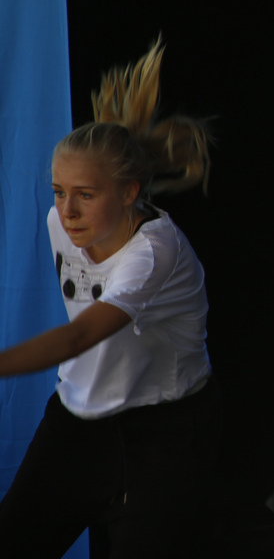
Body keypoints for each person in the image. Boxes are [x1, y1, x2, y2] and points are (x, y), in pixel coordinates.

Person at [0, 39, 219, 559]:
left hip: (161, 439)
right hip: (76, 426)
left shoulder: (155, 253)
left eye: (86, 194)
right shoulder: (60, 223)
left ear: (128, 192)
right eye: (59, 191)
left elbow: (80, 334)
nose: (67, 211)